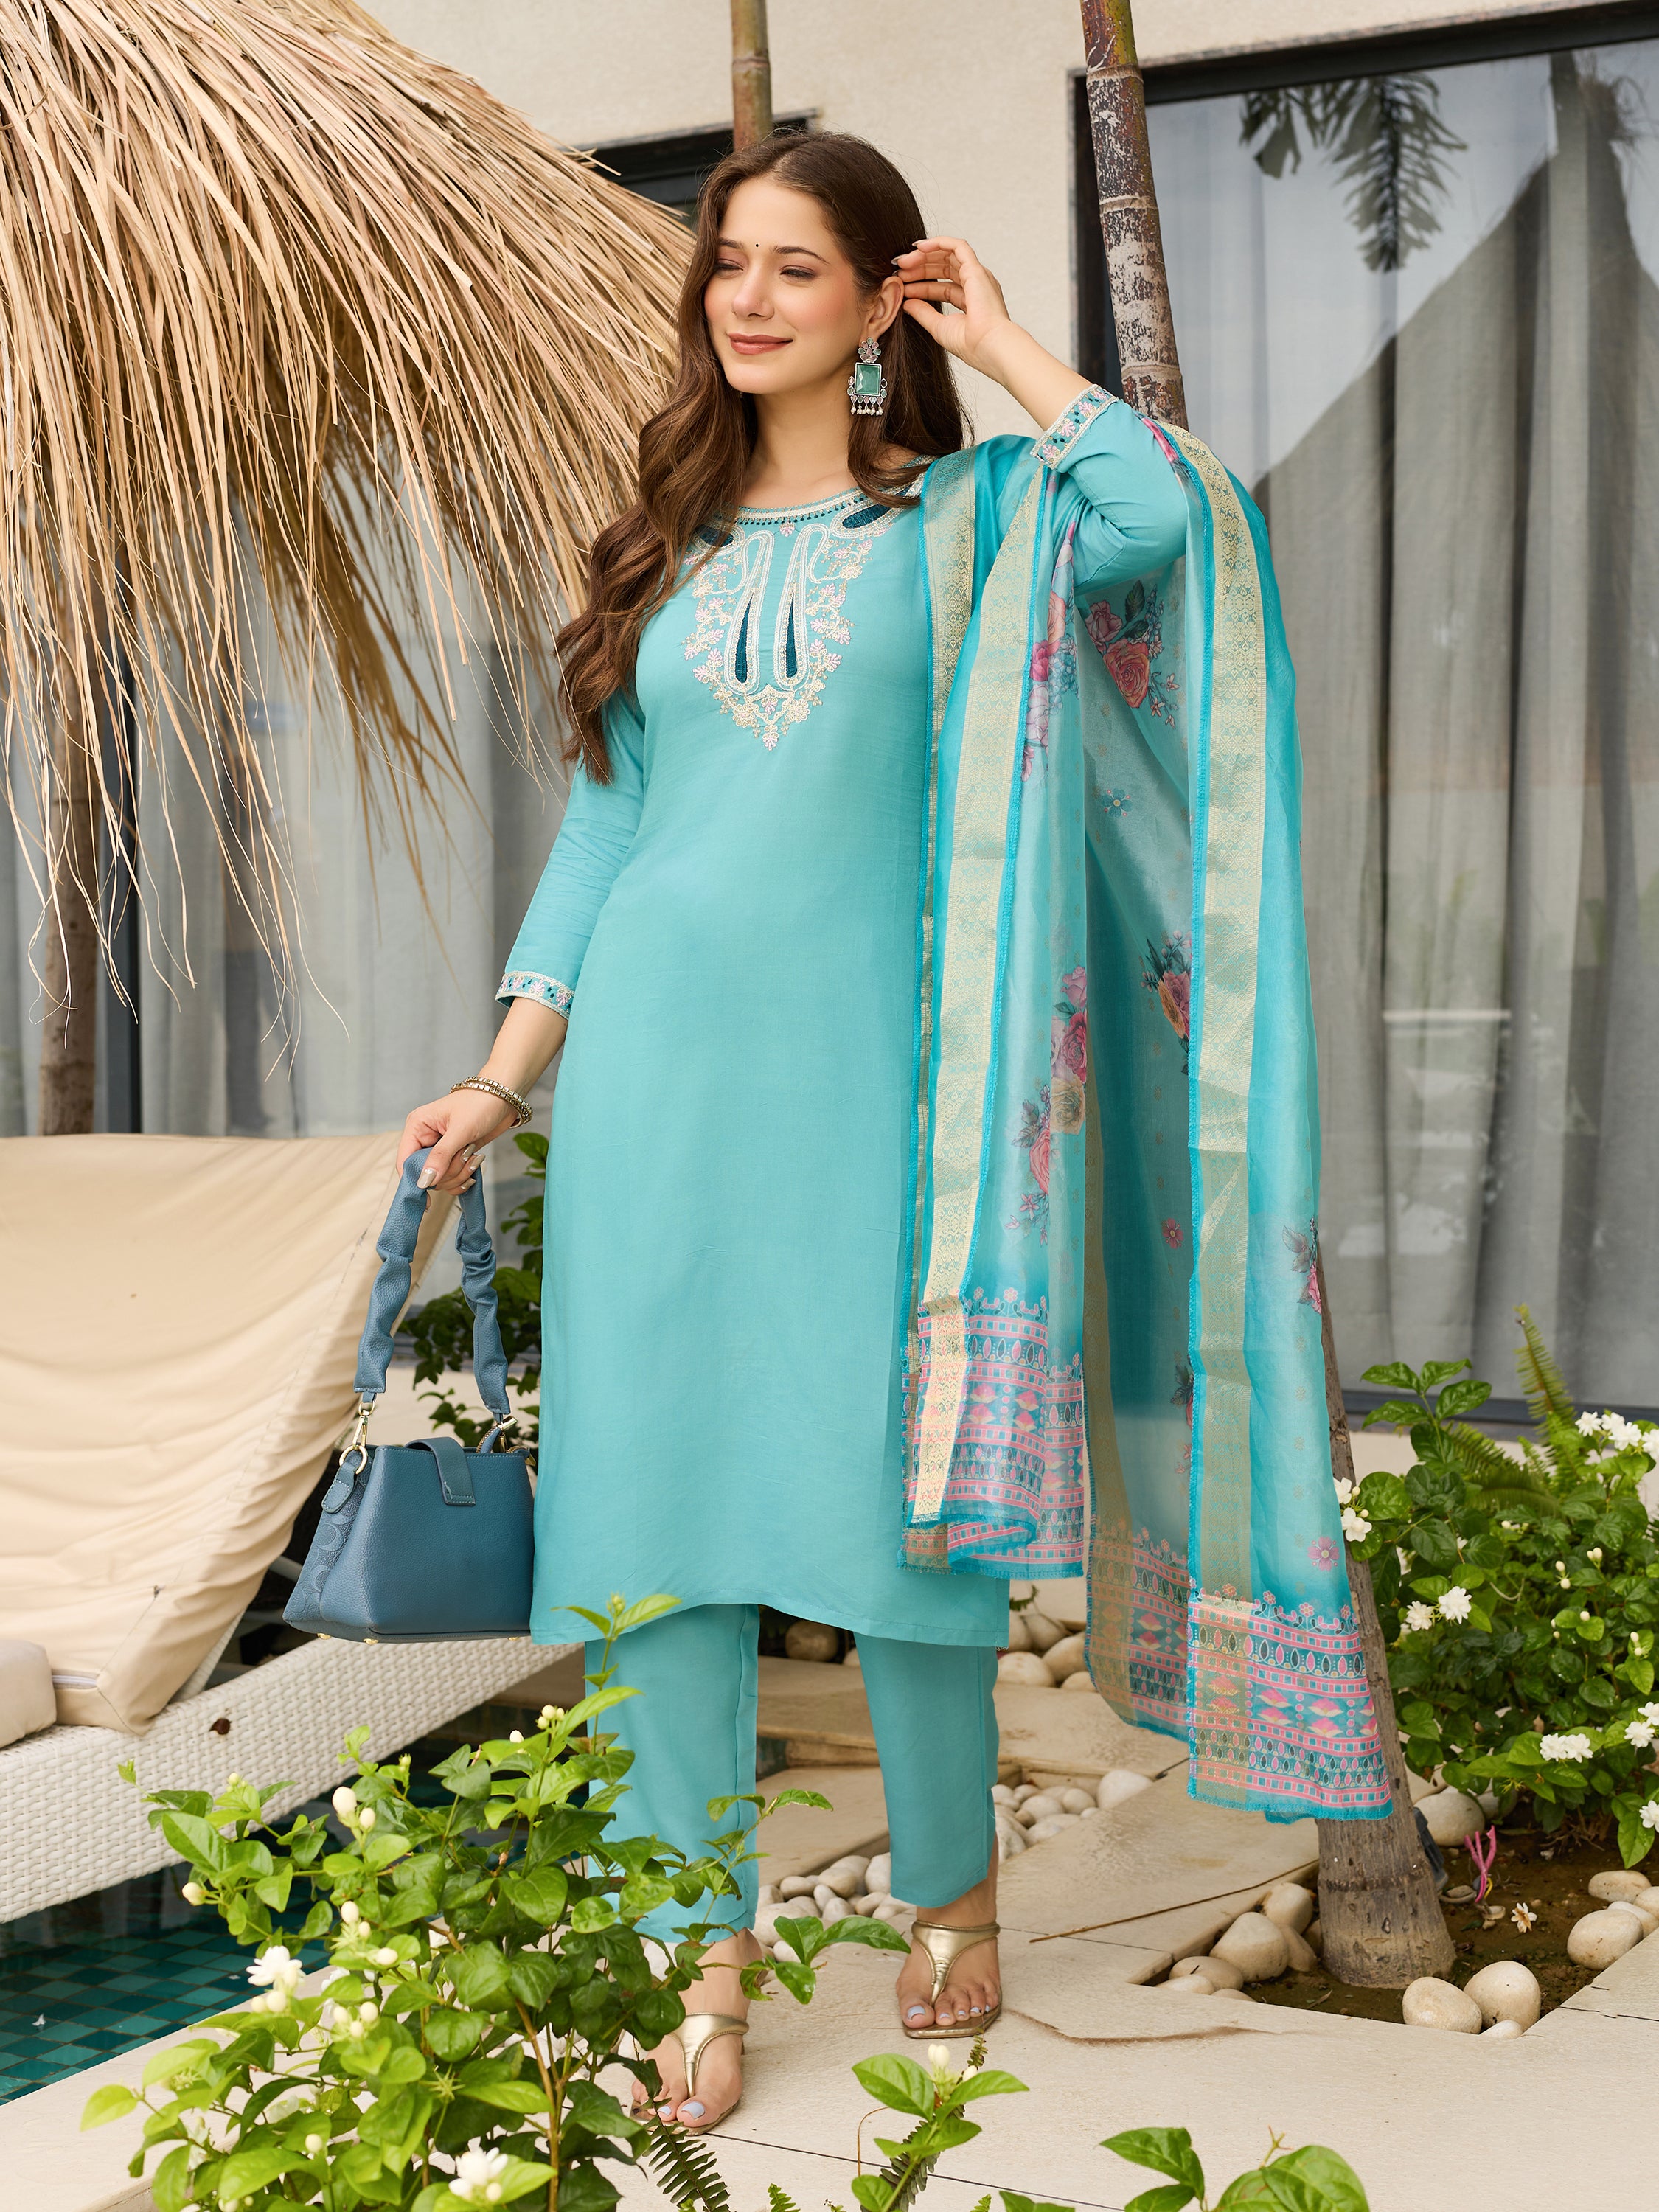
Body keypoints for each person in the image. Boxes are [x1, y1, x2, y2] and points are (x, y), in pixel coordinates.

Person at [400, 128, 1363, 2132]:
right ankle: (700, 1953)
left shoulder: (968, 526)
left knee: (902, 1512)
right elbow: (607, 823)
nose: (744, 301)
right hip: (659, 1091)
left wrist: (1005, 339)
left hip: (887, 1104)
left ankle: (948, 1893)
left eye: (792, 271)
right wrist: (504, 1072)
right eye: (723, 270)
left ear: (871, 300)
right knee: (651, 1539)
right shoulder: (659, 546)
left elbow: (1161, 523)